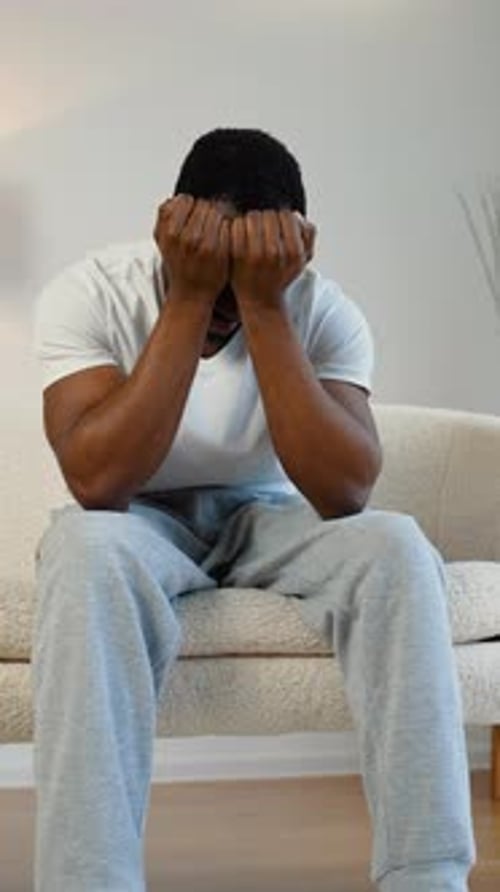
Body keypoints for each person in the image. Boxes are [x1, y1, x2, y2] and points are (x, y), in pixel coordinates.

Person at [33, 127, 476, 892]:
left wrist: (267, 307)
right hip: (138, 519)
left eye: (253, 281)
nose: (226, 311)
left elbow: (343, 493)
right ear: (171, 229)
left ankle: (427, 878)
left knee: (398, 544)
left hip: (268, 518)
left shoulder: (321, 308)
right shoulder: (93, 289)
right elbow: (99, 483)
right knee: (82, 548)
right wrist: (192, 293)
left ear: (295, 249)